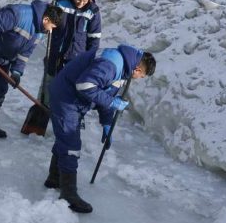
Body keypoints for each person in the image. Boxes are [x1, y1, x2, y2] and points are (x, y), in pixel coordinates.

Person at [45, 44, 155, 213]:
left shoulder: (123, 66)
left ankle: (54, 178)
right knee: (71, 145)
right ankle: (68, 193)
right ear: (138, 69)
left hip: (74, 100)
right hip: (66, 98)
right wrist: (113, 103)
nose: (138, 79)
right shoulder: (112, 64)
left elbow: (106, 94)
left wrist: (107, 123)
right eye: (141, 76)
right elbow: (85, 85)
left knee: (65, 140)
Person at [0, 0, 66, 141]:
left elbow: (25, 53)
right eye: (52, 26)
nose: (51, 30)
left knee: (0, 89)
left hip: (4, 56)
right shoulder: (18, 14)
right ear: (46, 19)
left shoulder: (40, 31)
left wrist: (17, 72)